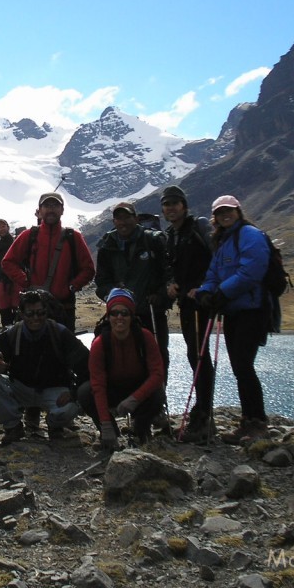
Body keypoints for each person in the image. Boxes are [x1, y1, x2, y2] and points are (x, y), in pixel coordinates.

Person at [190, 194, 272, 446]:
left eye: (229, 210)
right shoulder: (224, 240)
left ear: (238, 211)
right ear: (215, 216)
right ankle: (248, 421)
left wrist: (222, 292)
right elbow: (214, 272)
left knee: (243, 365)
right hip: (233, 311)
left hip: (252, 310)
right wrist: (206, 291)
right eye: (220, 212)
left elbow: (252, 271)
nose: (225, 215)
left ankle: (257, 422)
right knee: (239, 366)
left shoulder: (249, 235)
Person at [0, 289, 89, 445]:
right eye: (30, 314)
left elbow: (86, 365)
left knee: (70, 408)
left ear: (46, 312)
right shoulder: (11, 335)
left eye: (40, 313)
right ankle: (13, 426)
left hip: (54, 390)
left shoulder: (61, 334)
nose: (36, 318)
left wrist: (74, 392)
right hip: (21, 388)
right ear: (21, 314)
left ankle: (55, 426)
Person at [161, 185, 217, 443]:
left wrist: (205, 287)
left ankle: (204, 415)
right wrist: (170, 284)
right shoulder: (171, 235)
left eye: (174, 203)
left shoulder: (200, 227)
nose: (170, 207)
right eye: (166, 204)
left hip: (201, 303)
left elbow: (216, 259)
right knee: (194, 354)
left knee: (200, 355)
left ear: (184, 205)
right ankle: (201, 412)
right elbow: (171, 267)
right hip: (186, 303)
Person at [76, 288, 165, 449]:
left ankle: (141, 430)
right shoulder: (100, 344)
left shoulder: (145, 337)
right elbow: (98, 385)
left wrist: (134, 399)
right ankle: (109, 434)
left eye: (124, 313)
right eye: (114, 313)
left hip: (138, 388)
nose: (119, 318)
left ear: (131, 316)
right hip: (112, 389)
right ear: (108, 317)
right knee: (85, 392)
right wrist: (105, 423)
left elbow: (157, 375)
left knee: (157, 394)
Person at [94, 201, 170, 382]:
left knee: (157, 355)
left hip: (150, 310)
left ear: (136, 218)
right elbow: (101, 282)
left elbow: (168, 273)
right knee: (125, 357)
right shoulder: (107, 245)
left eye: (127, 217)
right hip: (120, 313)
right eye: (118, 218)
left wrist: (160, 296)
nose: (123, 222)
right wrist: (113, 296)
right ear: (114, 221)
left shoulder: (153, 240)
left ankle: (157, 400)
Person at [0, 192, 95, 333]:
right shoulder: (29, 235)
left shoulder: (73, 237)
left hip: (64, 307)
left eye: (55, 205)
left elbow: (88, 269)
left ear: (62, 210)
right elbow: (8, 262)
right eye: (47, 206)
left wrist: (72, 287)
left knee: (62, 351)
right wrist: (25, 281)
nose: (51, 209)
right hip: (33, 311)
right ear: (40, 210)